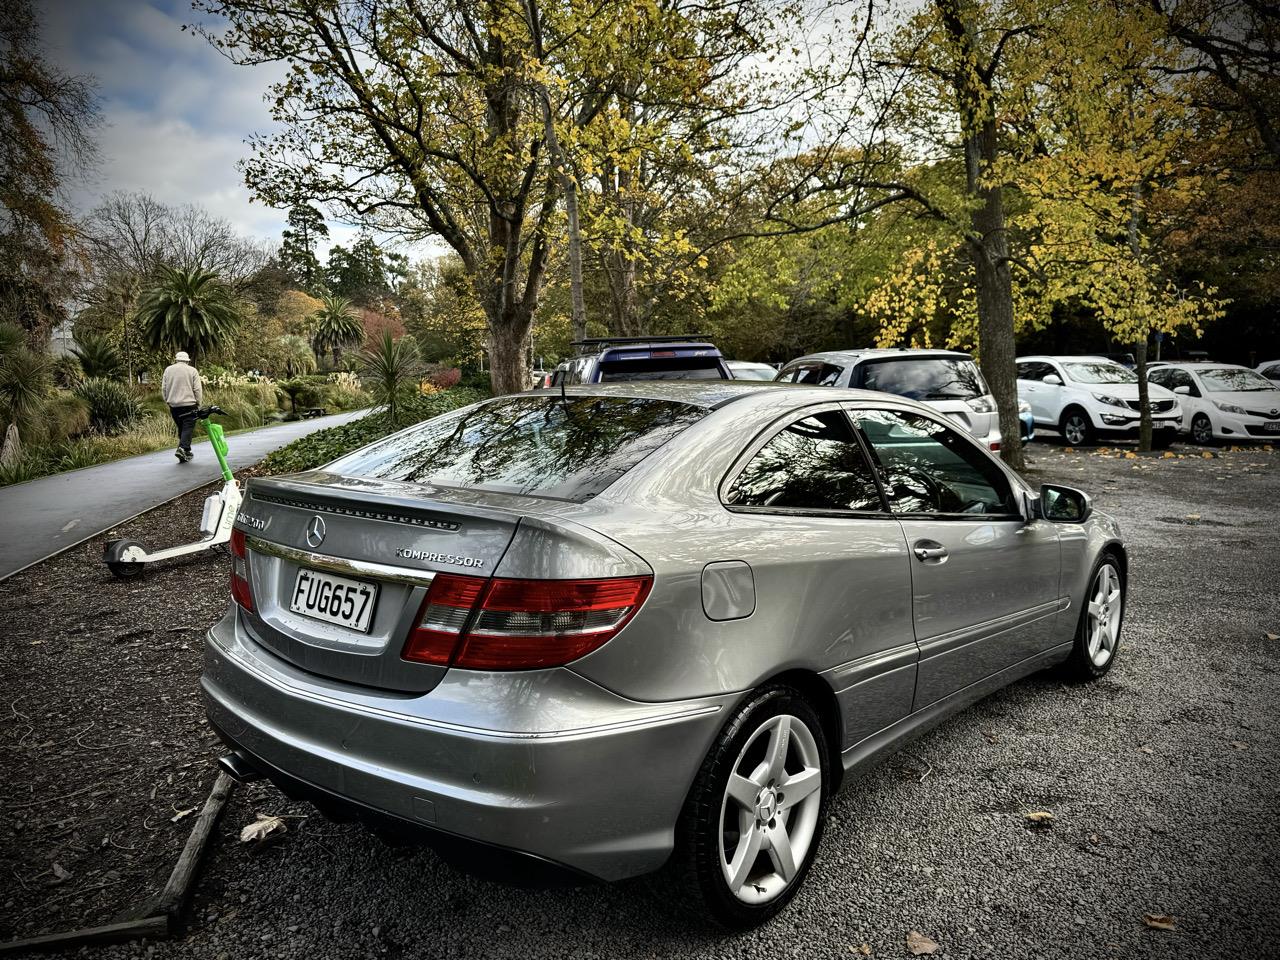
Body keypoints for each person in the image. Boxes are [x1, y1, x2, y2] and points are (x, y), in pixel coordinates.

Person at [161, 351, 203, 462]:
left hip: (174, 405)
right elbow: (197, 389)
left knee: (182, 428)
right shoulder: (192, 371)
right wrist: (198, 402)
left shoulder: (168, 370)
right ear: (187, 361)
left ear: (176, 360)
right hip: (189, 404)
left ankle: (186, 451)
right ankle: (183, 448)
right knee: (188, 427)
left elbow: (164, 388)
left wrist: (167, 400)